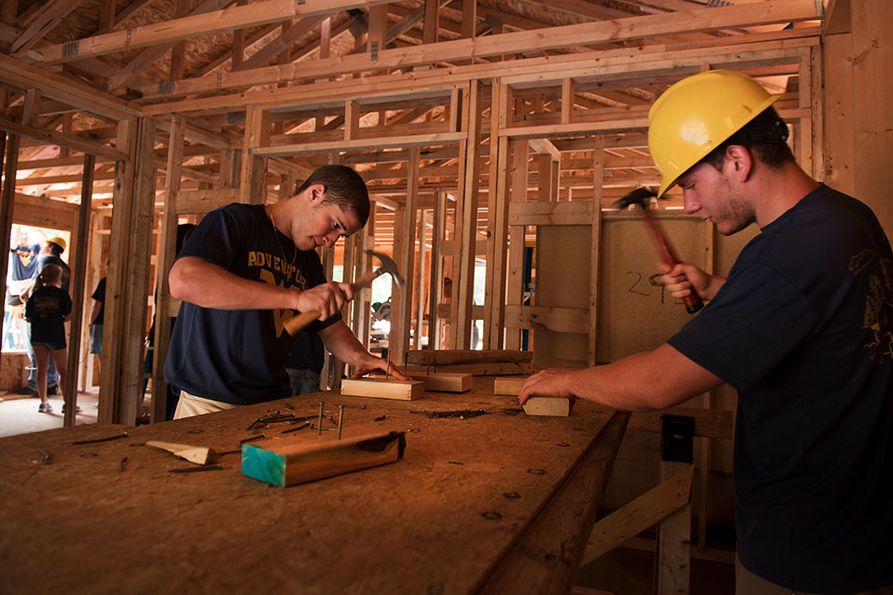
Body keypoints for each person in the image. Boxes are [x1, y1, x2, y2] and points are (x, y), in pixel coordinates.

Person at [519, 70, 893, 594]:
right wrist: (720, 287)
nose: (690, 205)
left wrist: (566, 380)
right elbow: (823, 318)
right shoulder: (848, 218)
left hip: (808, 546)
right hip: (862, 526)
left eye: (692, 184)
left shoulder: (785, 255)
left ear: (737, 160)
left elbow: (658, 384)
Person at [165, 165, 407, 419]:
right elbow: (183, 280)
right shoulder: (236, 222)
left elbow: (330, 329)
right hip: (208, 404)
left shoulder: (307, 261)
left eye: (341, 235)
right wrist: (296, 298)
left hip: (272, 405)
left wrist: (362, 357)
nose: (332, 240)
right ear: (315, 193)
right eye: (335, 225)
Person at [22, 236, 71, 395]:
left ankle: (40, 389)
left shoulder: (46, 260)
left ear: (50, 247)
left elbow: (39, 278)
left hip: (40, 322)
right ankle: (55, 387)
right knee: (60, 365)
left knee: (39, 360)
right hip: (56, 323)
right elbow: (68, 311)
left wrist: (27, 294)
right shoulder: (65, 267)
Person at [24, 264, 72, 414]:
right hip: (55, 335)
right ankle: (68, 403)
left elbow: (29, 317)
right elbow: (69, 315)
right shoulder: (62, 294)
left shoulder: (36, 294)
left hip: (38, 335)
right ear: (58, 277)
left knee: (41, 370)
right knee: (63, 371)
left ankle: (43, 402)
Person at [88, 276, 106, 376]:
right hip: (118, 326)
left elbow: (97, 305)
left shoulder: (104, 282)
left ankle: (105, 388)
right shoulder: (125, 281)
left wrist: (91, 321)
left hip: (101, 323)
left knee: (103, 361)